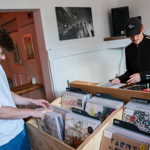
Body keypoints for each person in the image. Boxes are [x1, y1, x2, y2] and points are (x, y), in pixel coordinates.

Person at [0, 28, 51, 149]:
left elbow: (7, 94)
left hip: (19, 128)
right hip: (5, 140)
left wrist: (32, 101)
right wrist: (35, 112)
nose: (3, 58)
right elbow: (1, 112)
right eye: (2, 53)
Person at [112, 17, 150, 85]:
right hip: (140, 88)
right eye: (131, 35)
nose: (134, 38)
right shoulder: (129, 49)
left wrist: (142, 76)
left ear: (142, 29)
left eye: (137, 34)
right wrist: (120, 79)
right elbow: (130, 71)